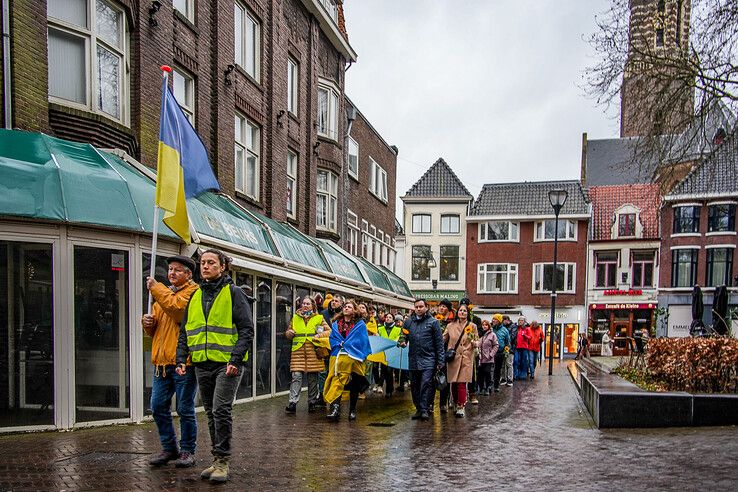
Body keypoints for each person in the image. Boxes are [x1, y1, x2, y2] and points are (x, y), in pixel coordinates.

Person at [176, 249, 254, 483]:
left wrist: (235, 360)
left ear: (222, 267)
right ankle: (216, 459)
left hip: (227, 364)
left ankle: (222, 461)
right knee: (210, 412)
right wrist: (181, 358)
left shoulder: (234, 293)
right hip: (202, 363)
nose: (206, 266)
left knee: (221, 409)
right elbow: (185, 331)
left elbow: (247, 330)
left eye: (211, 263)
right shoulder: (195, 295)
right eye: (203, 263)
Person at [142, 255, 199, 468]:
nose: (172, 273)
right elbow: (155, 329)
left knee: (185, 409)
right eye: (170, 270)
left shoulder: (193, 293)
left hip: (184, 362)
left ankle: (187, 451)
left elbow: (178, 312)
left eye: (177, 270)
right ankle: (169, 448)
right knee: (157, 406)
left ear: (189, 274)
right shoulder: (164, 294)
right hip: (162, 363)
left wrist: (156, 289)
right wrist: (147, 323)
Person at [323, 300, 371, 421]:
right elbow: (332, 338)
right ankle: (335, 409)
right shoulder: (336, 324)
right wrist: (339, 344)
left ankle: (352, 410)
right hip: (338, 356)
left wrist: (349, 345)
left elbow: (362, 340)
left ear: (354, 310)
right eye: (345, 306)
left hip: (354, 357)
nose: (346, 308)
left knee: (354, 383)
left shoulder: (360, 325)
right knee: (336, 381)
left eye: (349, 307)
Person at [284, 296, 330, 414]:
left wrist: (319, 336)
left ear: (313, 306)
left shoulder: (319, 318)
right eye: (303, 303)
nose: (305, 305)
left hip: (313, 352)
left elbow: (329, 331)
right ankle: (292, 403)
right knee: (296, 376)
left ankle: (312, 402)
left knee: (312, 379)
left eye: (308, 304)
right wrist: (289, 333)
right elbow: (288, 332)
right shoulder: (295, 318)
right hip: (298, 352)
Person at [402, 299, 444, 421]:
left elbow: (439, 343)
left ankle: (425, 409)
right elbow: (403, 335)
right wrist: (402, 341)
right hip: (414, 358)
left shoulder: (433, 322)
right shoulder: (409, 322)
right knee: (414, 385)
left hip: (429, 359)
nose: (419, 309)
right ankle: (419, 408)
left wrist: (440, 361)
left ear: (426, 307)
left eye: (421, 306)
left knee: (426, 384)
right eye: (417, 307)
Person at [443, 304, 476, 417]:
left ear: (468, 313)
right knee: (454, 382)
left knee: (462, 382)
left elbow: (476, 340)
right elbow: (443, 338)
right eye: (460, 310)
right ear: (457, 313)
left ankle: (461, 406)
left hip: (466, 357)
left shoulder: (472, 326)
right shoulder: (450, 326)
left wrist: (475, 343)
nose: (462, 312)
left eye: (464, 311)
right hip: (453, 357)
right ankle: (456, 402)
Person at [317, 294, 343, 405]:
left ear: (341, 303)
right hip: (325, 347)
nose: (333, 302)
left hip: (338, 348)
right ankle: (322, 395)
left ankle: (334, 397)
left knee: (335, 373)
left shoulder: (343, 316)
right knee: (323, 372)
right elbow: (319, 329)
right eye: (332, 300)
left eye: (336, 301)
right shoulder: (323, 314)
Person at [434, 298, 454, 413]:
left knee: (444, 378)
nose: (441, 308)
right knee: (433, 378)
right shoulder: (434, 320)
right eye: (440, 306)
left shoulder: (452, 322)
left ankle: (443, 403)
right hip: (434, 352)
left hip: (447, 353)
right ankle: (430, 404)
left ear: (448, 309)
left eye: (444, 306)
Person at [476, 319, 499, 395]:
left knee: (487, 373)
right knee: (480, 374)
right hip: (481, 358)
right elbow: (478, 345)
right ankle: (481, 388)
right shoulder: (481, 334)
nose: (484, 326)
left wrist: (491, 354)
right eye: (483, 325)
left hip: (488, 358)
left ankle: (488, 388)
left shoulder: (492, 335)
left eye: (486, 325)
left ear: (488, 326)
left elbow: (496, 345)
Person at [491, 314, 510, 393]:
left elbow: (507, 342)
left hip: (500, 352)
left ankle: (496, 385)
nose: (493, 321)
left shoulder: (504, 330)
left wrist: (506, 351)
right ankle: (489, 384)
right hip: (490, 352)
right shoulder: (491, 329)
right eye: (493, 319)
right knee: (490, 369)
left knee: (497, 369)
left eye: (495, 319)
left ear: (499, 321)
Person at [503, 315, 517, 386]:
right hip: (504, 348)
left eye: (503, 321)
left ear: (507, 320)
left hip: (510, 348)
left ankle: (510, 379)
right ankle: (504, 379)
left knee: (509, 364)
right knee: (504, 364)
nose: (503, 322)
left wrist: (504, 340)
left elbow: (512, 337)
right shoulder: (503, 326)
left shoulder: (513, 327)